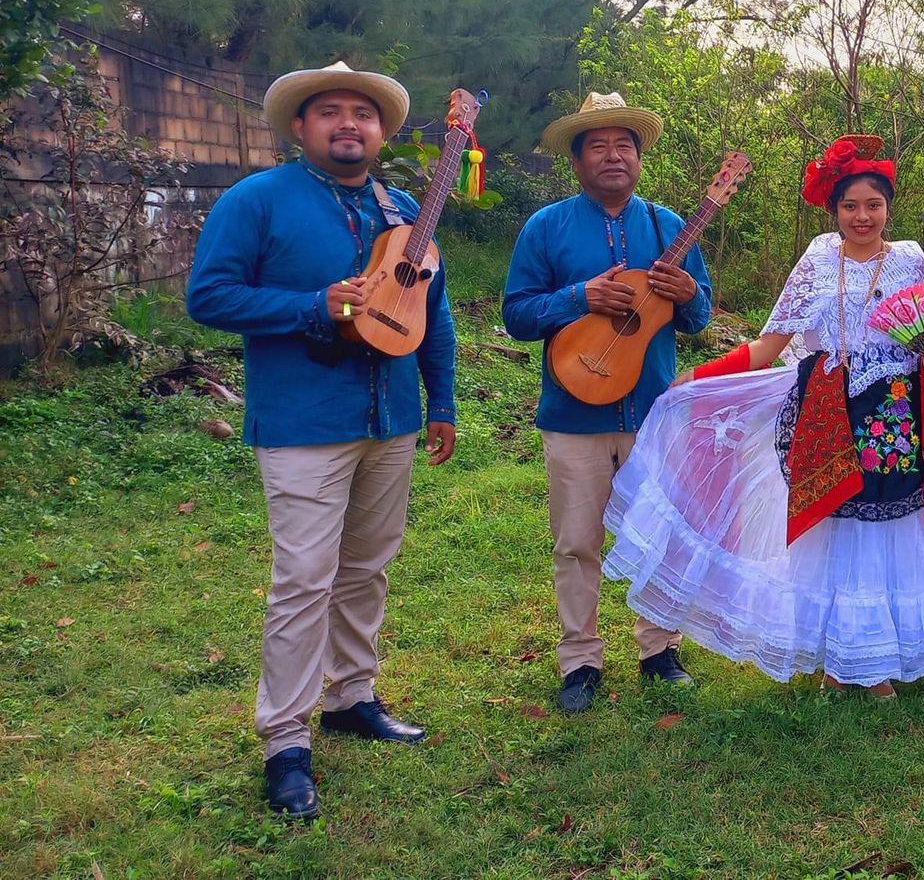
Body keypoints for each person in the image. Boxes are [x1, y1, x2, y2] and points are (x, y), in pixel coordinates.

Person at [600, 135, 924, 698]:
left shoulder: (910, 259)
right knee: (832, 527)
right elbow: (769, 345)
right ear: (834, 210)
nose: (862, 216)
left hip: (894, 414)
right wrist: (701, 377)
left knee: (883, 531)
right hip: (825, 410)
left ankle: (876, 660)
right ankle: (837, 658)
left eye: (873, 205)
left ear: (889, 207)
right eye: (850, 205)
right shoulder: (817, 260)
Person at [187, 61, 457, 819]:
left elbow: (432, 311)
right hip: (304, 420)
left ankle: (351, 697)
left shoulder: (404, 209)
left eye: (363, 114)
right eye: (331, 111)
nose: (348, 123)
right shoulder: (257, 200)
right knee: (305, 578)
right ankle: (285, 742)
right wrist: (313, 305)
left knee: (367, 567)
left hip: (391, 418)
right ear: (301, 127)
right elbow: (208, 296)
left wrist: (442, 399)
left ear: (381, 132)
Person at [502, 92, 715, 714]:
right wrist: (579, 298)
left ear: (640, 158)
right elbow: (517, 315)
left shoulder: (671, 227)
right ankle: (581, 660)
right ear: (576, 161)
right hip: (574, 413)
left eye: (624, 144)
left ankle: (660, 649)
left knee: (660, 534)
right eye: (597, 145)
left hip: (654, 411)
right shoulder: (545, 228)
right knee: (576, 541)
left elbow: (700, 316)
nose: (613, 155)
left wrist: (688, 294)